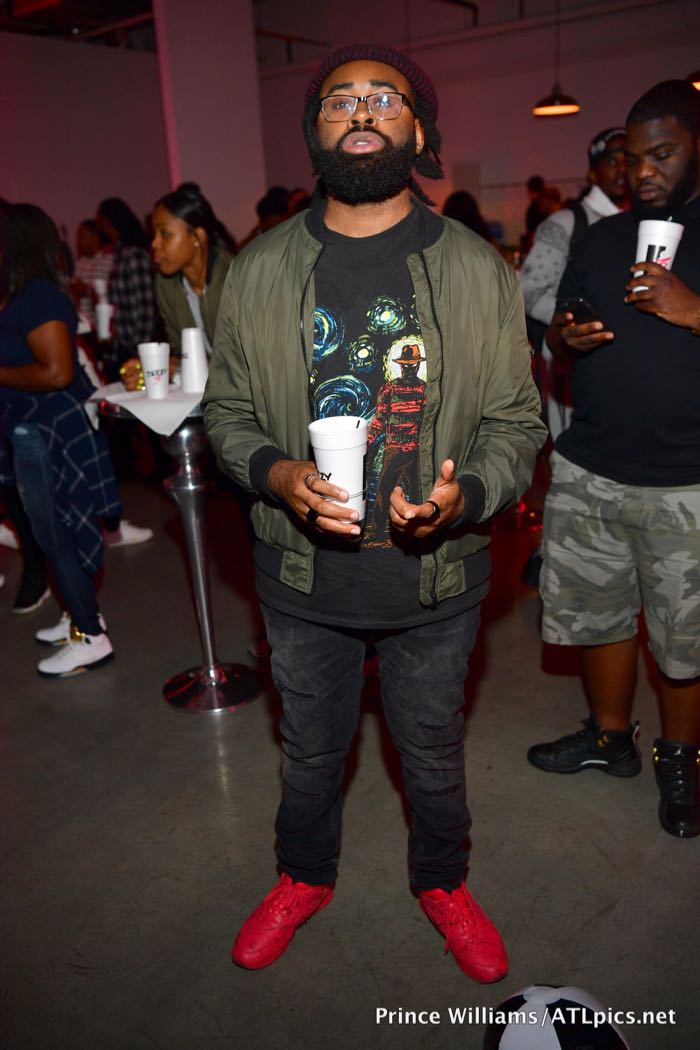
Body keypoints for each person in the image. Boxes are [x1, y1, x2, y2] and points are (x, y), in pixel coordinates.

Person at [203, 43, 546, 980]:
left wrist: (469, 496)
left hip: (434, 577)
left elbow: (518, 421)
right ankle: (302, 875)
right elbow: (225, 414)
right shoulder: (259, 268)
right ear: (315, 132)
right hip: (301, 572)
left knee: (431, 751)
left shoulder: (477, 268)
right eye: (338, 100)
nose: (360, 110)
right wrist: (277, 475)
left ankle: (442, 881)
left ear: (418, 131)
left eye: (384, 99)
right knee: (309, 751)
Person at [527, 80, 700, 839]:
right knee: (596, 618)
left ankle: (682, 758)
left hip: (687, 478)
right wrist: (565, 337)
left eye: (663, 153)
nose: (644, 172)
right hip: (590, 467)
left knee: (684, 639)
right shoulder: (599, 239)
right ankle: (609, 737)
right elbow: (555, 333)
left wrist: (692, 310)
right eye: (634, 158)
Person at [0, 204, 116, 676]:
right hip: (31, 427)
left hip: (48, 431)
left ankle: (91, 636)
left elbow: (56, 372)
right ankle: (79, 615)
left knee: (56, 531)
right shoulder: (22, 294)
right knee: (50, 529)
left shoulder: (39, 296)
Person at [520, 127, 628, 439]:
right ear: (592, 173)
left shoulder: (639, 224)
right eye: (612, 160)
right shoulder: (566, 223)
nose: (622, 169)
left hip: (623, 368)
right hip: (572, 365)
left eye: (629, 159)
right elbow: (528, 291)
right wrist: (581, 320)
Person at [120, 183, 236, 391]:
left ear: (198, 237)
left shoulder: (235, 280)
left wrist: (174, 368)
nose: (154, 243)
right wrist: (152, 368)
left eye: (165, 234)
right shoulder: (165, 284)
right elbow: (182, 352)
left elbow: (245, 364)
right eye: (154, 234)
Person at [95, 197, 155, 382]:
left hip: (135, 347)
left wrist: (140, 351)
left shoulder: (134, 254)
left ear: (108, 222)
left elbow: (146, 306)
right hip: (121, 344)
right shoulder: (119, 253)